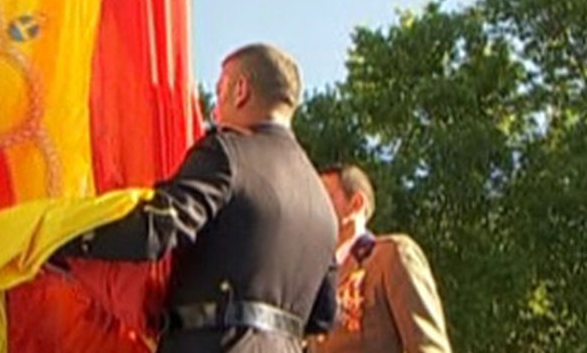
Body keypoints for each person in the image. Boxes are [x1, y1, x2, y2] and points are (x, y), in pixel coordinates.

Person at [55, 43, 339, 353]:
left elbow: (157, 229)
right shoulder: (323, 205)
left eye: (220, 92)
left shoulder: (227, 154)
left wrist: (59, 237)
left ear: (240, 90)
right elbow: (323, 316)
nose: (215, 111)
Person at [307, 164, 451, 353]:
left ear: (356, 203)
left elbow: (428, 346)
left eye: (325, 196)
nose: (313, 206)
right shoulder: (313, 277)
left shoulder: (391, 256)